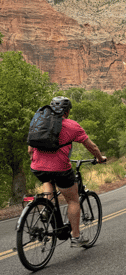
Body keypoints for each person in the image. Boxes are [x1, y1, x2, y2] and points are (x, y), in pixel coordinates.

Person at [28, 96, 107, 247]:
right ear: (67, 111)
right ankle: (76, 237)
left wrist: (36, 159)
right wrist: (100, 158)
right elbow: (92, 147)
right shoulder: (72, 126)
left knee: (47, 179)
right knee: (72, 199)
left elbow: (30, 147)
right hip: (60, 168)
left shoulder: (39, 122)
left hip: (37, 166)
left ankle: (46, 207)